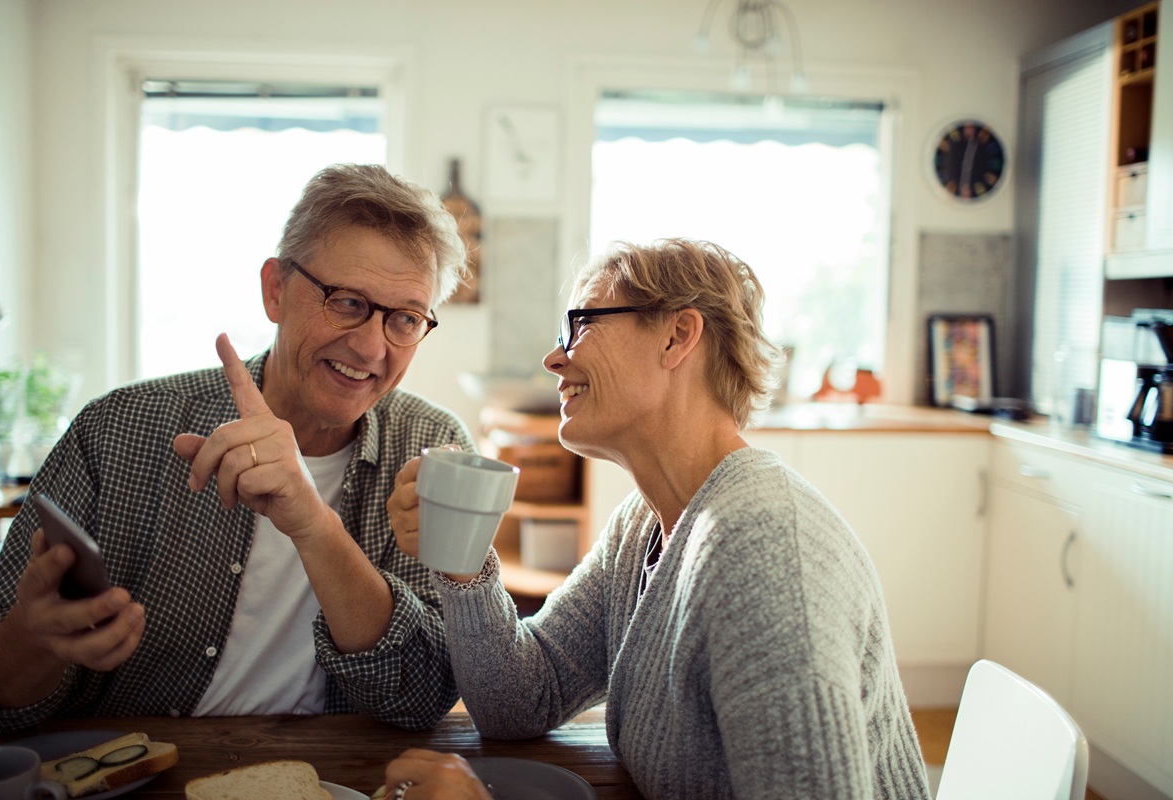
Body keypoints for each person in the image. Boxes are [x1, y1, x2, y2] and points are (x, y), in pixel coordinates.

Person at [387, 238, 931, 799]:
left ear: (676, 336)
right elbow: (520, 699)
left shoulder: (763, 551)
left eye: (581, 324)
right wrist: (463, 563)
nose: (554, 359)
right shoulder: (645, 526)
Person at [0, 163, 475, 734]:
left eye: (405, 319)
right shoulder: (118, 430)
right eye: (347, 302)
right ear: (275, 291)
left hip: (338, 778)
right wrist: (33, 641)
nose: (368, 348)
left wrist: (314, 523)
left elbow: (422, 693)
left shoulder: (434, 450)